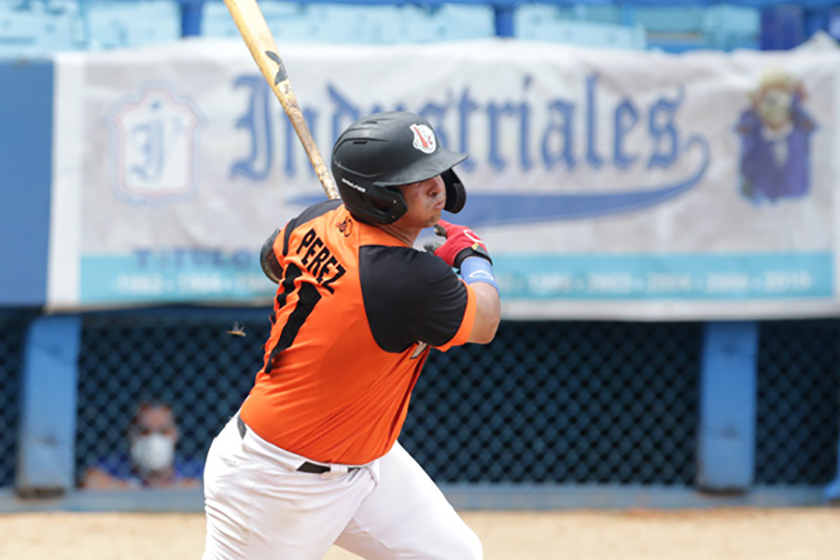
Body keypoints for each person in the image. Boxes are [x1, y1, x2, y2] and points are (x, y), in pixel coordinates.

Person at [202, 111, 501, 559]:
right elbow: (485, 322)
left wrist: (345, 244)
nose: (437, 185)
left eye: (435, 170)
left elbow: (272, 257)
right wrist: (472, 256)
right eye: (416, 178)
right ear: (377, 195)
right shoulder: (405, 279)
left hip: (366, 460)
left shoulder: (317, 219)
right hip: (275, 482)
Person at [80, 399, 203, 490]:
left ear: (175, 434)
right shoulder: (117, 467)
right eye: (145, 432)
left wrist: (129, 489)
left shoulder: (191, 468)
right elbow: (92, 481)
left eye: (163, 432)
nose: (155, 439)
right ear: (131, 433)